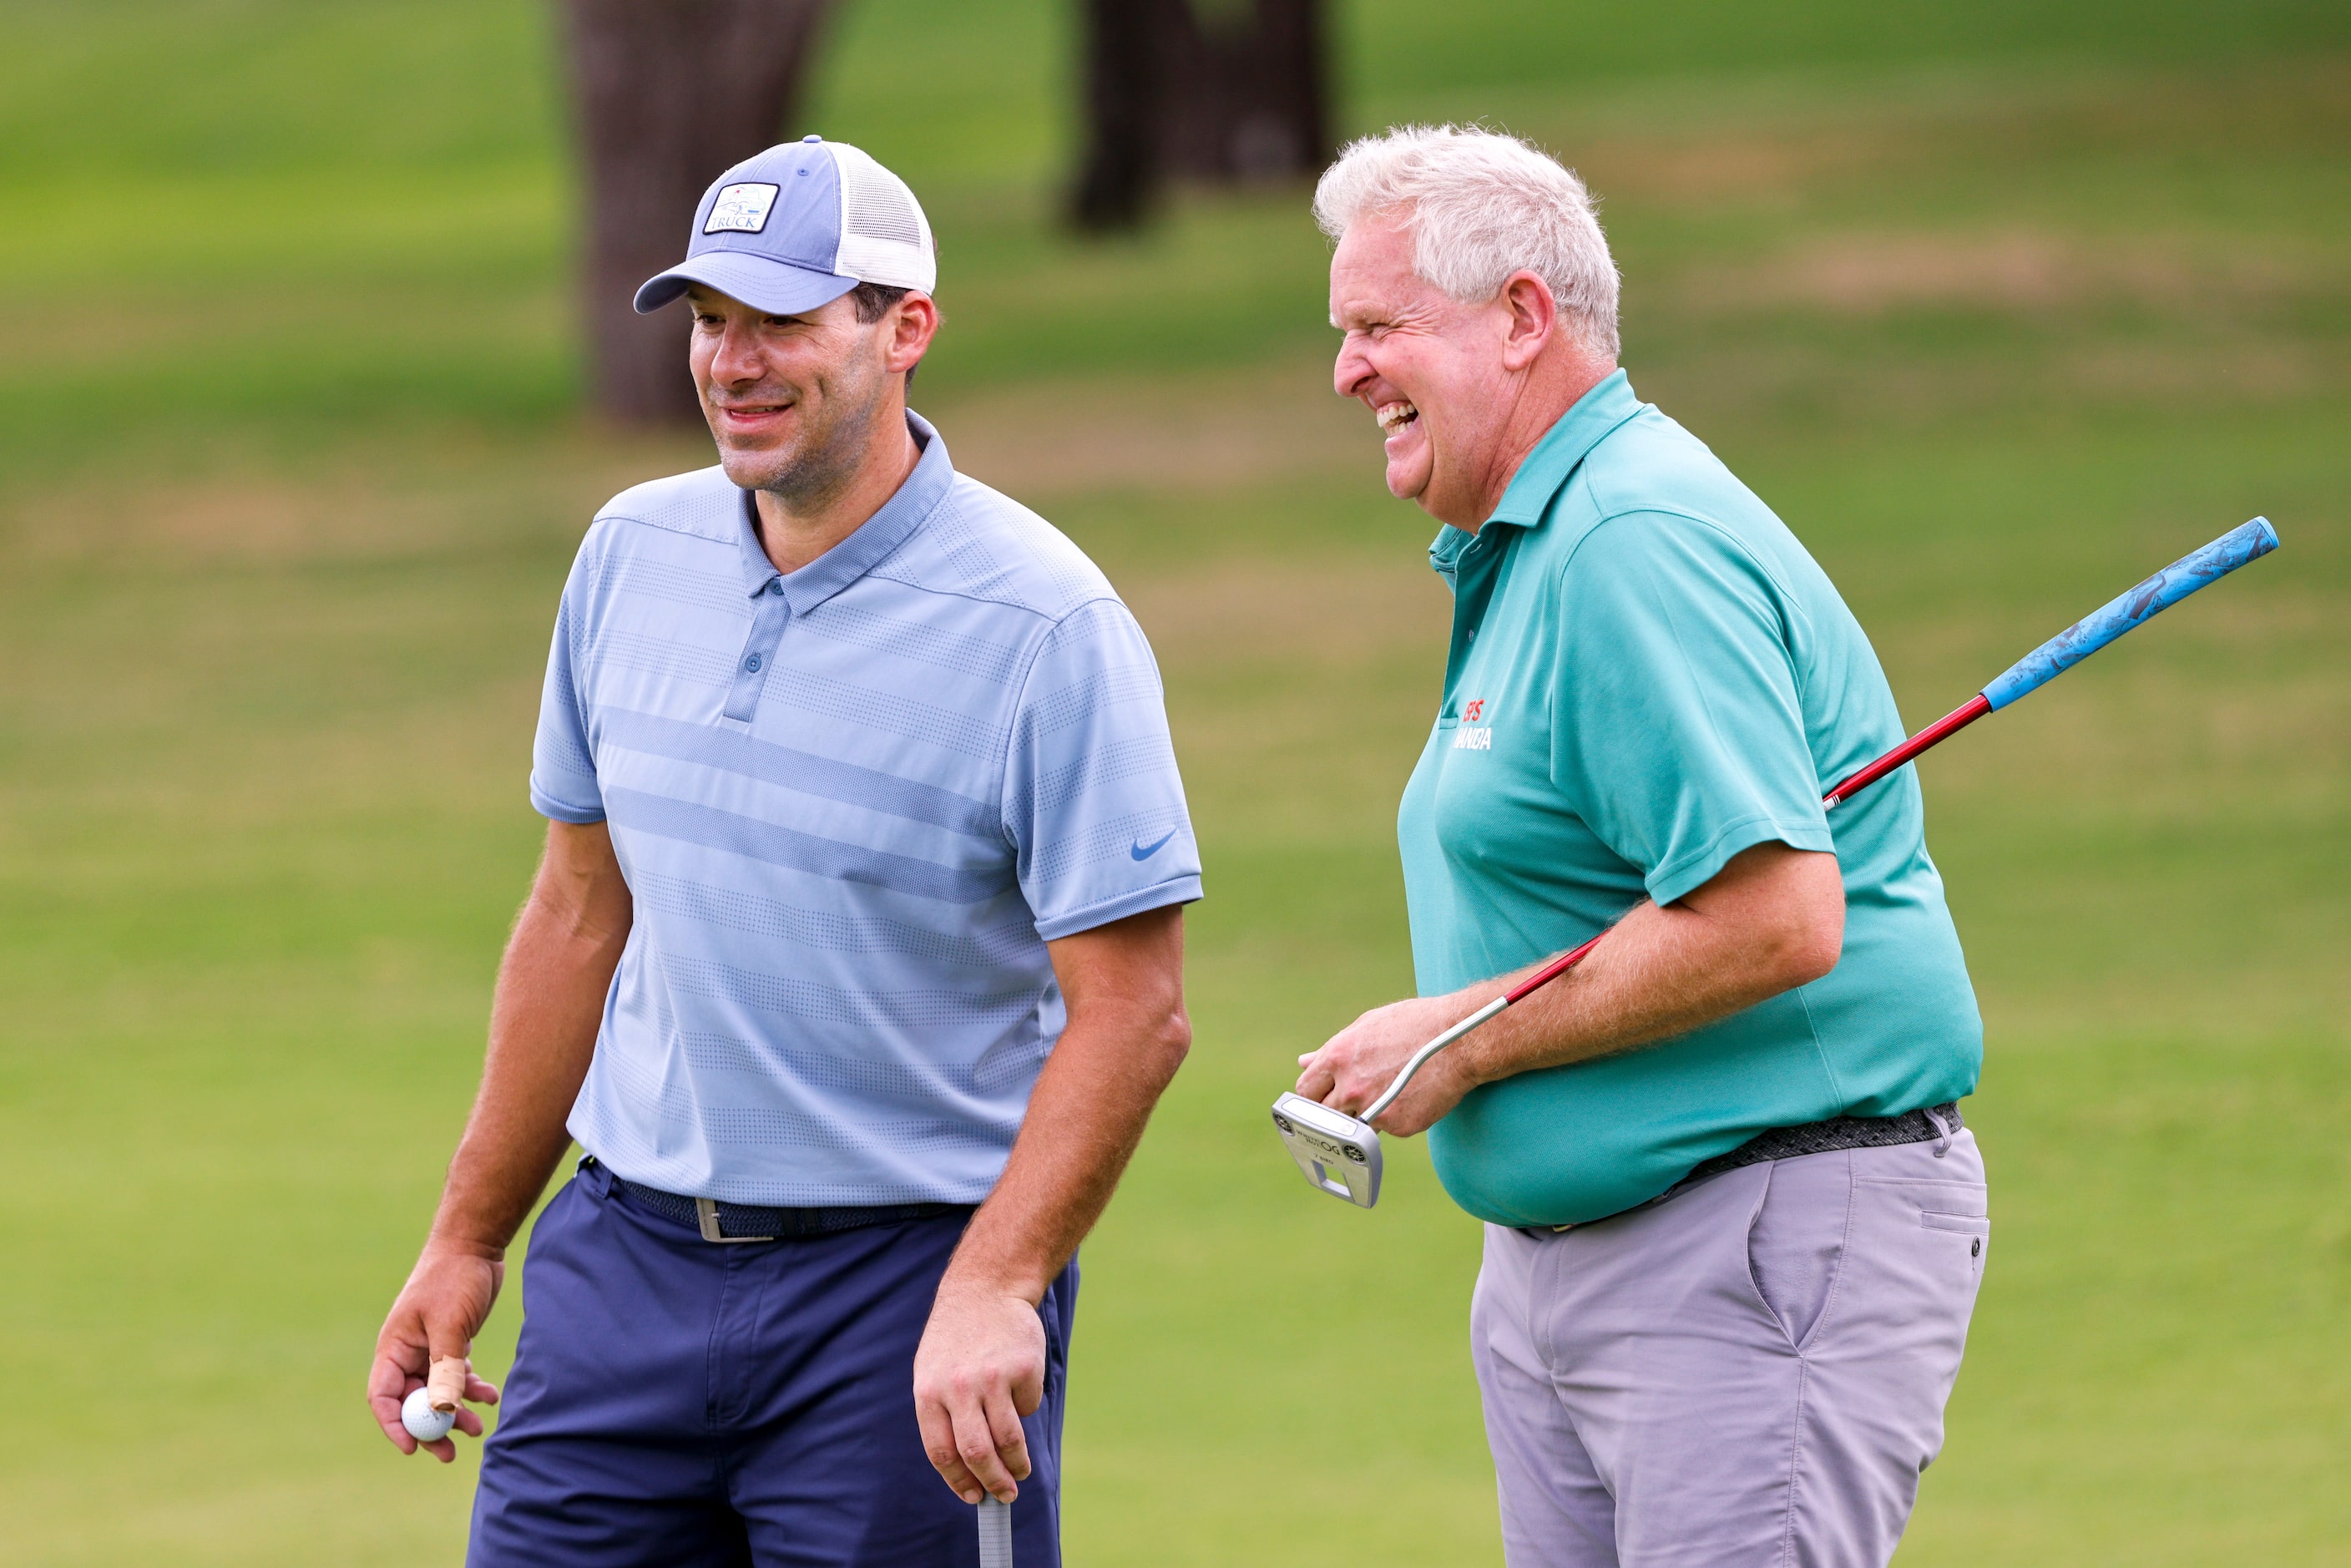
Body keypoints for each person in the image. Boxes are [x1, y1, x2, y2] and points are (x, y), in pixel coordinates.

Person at [365, 136, 1201, 1567]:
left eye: (782, 321)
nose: (732, 363)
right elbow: (578, 918)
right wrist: (468, 1235)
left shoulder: (1048, 626)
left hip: (901, 1290)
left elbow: (1135, 1012)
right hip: (622, 1268)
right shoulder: (629, 553)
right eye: (708, 321)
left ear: (904, 328)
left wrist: (999, 1282)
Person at [1294, 124, 1990, 1565]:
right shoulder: (1538, 541)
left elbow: (1778, 918)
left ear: (1524, 319)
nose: (1348, 370)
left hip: (1745, 1242)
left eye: (1380, 328)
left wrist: (1461, 1040)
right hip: (1583, 1267)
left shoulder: (1630, 541)